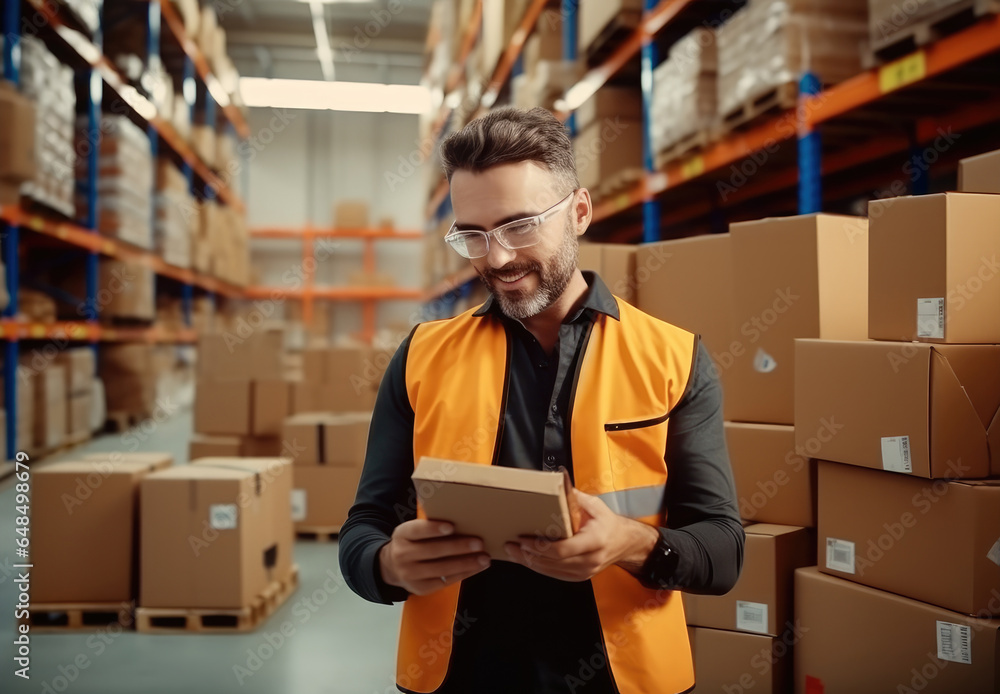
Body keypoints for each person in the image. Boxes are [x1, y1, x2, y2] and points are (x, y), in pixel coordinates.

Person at [339, 106, 744, 694]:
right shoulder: (422, 356)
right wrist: (387, 565)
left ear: (579, 212)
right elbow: (363, 530)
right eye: (472, 235)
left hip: (623, 680)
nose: (497, 258)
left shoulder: (673, 358)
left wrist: (629, 543)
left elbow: (723, 551)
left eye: (519, 226)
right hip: (460, 677)